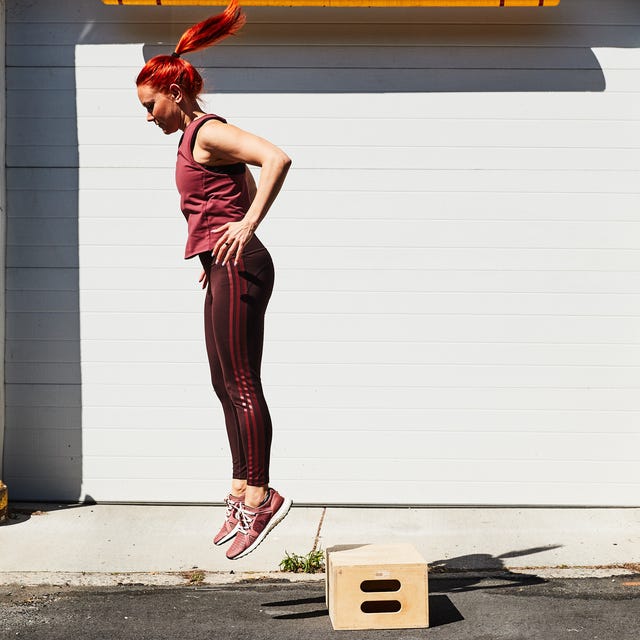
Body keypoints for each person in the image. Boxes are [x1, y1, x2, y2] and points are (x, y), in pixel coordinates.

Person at [135, 0, 292, 560]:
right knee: (222, 383)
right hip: (220, 268)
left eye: (150, 105)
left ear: (174, 94)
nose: (147, 116)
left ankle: (261, 496)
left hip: (240, 265)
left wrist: (245, 228)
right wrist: (211, 251)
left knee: (242, 381)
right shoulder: (190, 140)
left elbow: (276, 158)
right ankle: (238, 490)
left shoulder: (206, 131)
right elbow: (236, 189)